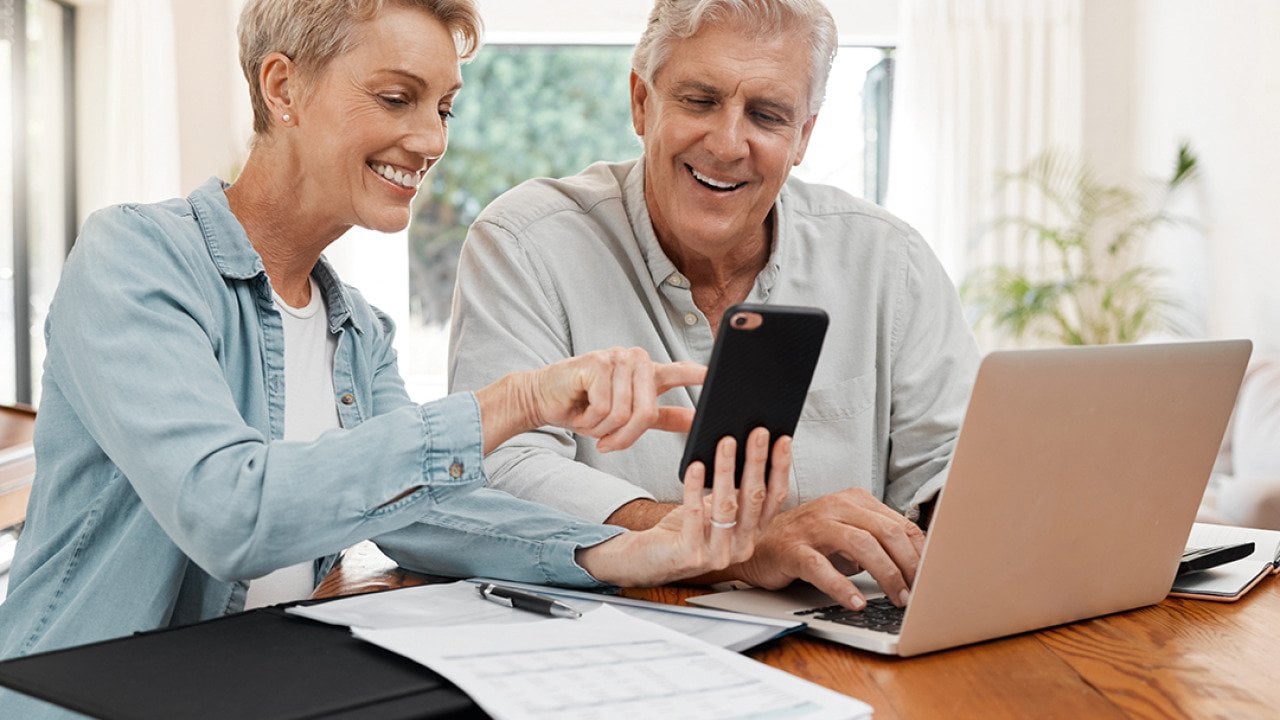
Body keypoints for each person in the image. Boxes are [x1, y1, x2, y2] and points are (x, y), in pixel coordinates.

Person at [0, 0, 793, 704]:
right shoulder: (135, 258)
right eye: (396, 98)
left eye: (445, 106)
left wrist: (636, 550)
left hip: (245, 682)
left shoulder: (357, 328)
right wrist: (514, 401)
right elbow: (229, 512)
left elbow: (425, 511)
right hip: (75, 694)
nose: (431, 138)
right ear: (283, 89)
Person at [449, 0, 981, 612]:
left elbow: (954, 463)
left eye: (767, 115)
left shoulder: (890, 259)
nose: (728, 144)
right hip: (620, 639)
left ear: (803, 134)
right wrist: (733, 545)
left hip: (849, 628)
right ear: (641, 102)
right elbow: (495, 471)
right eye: (700, 101)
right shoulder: (525, 243)